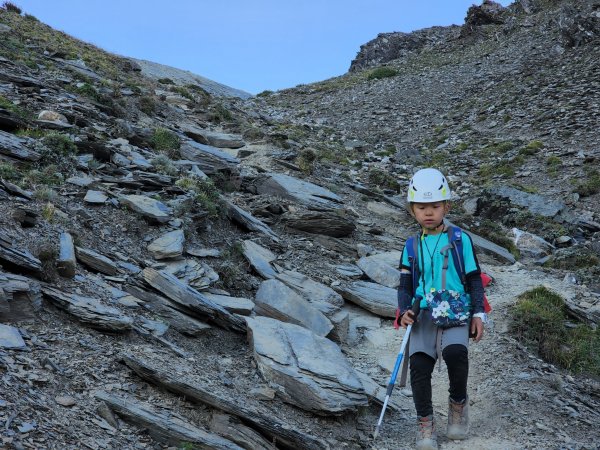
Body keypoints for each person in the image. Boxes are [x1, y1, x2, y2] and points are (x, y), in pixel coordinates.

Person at [397, 168, 487, 450]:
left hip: (457, 310)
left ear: (446, 206)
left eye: (435, 206)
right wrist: (403, 311)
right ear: (412, 209)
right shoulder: (410, 246)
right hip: (423, 313)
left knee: (456, 353)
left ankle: (457, 405)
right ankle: (425, 423)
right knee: (420, 366)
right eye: (421, 207)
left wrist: (478, 313)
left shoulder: (460, 240)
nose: (428, 212)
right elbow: (404, 286)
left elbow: (473, 278)